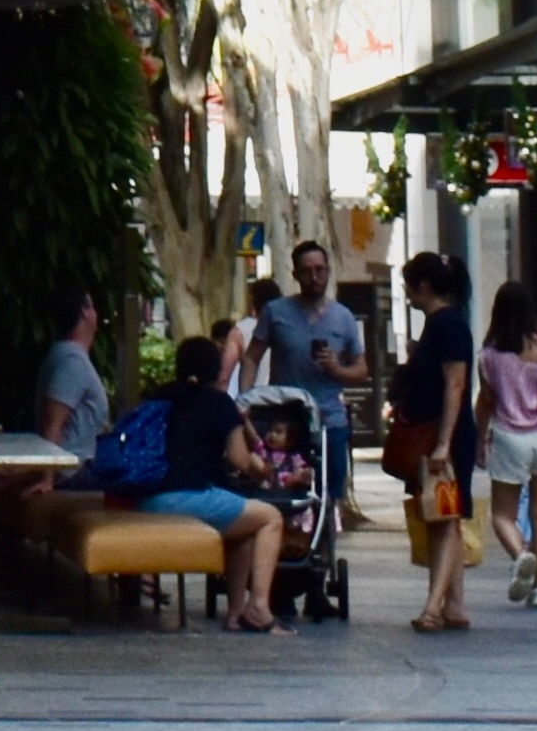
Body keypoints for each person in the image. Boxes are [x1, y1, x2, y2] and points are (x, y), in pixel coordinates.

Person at [146, 334, 288, 630]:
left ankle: (236, 612)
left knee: (244, 529)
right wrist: (260, 469)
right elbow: (239, 459)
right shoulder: (219, 403)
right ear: (215, 368)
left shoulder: (159, 395)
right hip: (190, 497)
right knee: (270, 518)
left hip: (149, 498)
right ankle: (260, 606)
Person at [392, 249, 475, 633]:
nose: (407, 295)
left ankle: (432, 606)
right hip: (441, 434)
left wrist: (443, 444)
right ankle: (453, 603)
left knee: (443, 519)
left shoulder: (447, 326)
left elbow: (455, 384)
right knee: (447, 518)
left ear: (423, 286)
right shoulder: (441, 324)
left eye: (409, 287)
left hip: (444, 438)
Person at [475, 284, 537, 606]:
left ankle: (520, 556)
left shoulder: (488, 356)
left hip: (509, 437)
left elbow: (486, 403)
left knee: (503, 515)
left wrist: (479, 439)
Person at [255, 242, 374, 504]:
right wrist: (247, 397)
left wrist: (337, 368)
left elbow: (361, 371)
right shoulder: (275, 312)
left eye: (320, 269)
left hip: (329, 418)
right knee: (285, 488)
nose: (314, 276)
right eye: (307, 271)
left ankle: (328, 536)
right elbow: (251, 357)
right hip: (287, 420)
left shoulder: (343, 317)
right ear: (296, 274)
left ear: (329, 271)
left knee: (331, 492)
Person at [35, 291, 115, 459]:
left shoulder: (70, 356)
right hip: (73, 468)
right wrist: (47, 476)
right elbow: (53, 424)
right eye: (92, 306)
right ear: (85, 313)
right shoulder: (72, 363)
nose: (95, 312)